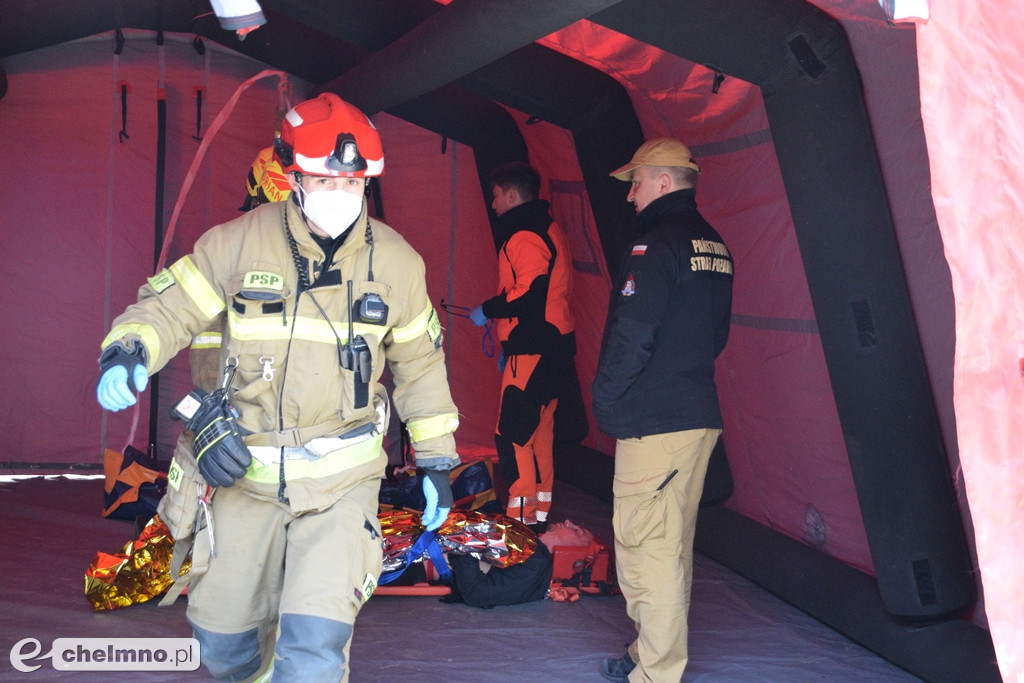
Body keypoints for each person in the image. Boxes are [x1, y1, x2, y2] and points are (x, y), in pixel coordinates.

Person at [95, 92, 460, 682]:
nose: (340, 194)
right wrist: (130, 347)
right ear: (292, 175)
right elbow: (169, 307)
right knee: (223, 647)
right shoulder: (234, 244)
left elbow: (421, 363)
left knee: (313, 650)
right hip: (240, 481)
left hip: (340, 486)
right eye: (324, 180)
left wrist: (438, 461)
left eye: (353, 183)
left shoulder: (397, 264)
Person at [591, 138, 734, 682]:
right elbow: (715, 336)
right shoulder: (715, 245)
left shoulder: (655, 247)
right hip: (697, 415)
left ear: (665, 183)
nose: (631, 196)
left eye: (637, 182)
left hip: (656, 422)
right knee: (671, 546)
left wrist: (605, 398)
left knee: (645, 548)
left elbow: (634, 334)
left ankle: (655, 673)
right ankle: (648, 653)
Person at [468, 161, 576, 533]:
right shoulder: (547, 228)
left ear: (512, 195)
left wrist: (490, 310)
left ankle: (519, 520)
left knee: (512, 434)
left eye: (497, 196)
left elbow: (531, 291)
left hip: (533, 348)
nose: (494, 203)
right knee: (539, 434)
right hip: (552, 347)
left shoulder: (523, 235)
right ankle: (538, 517)